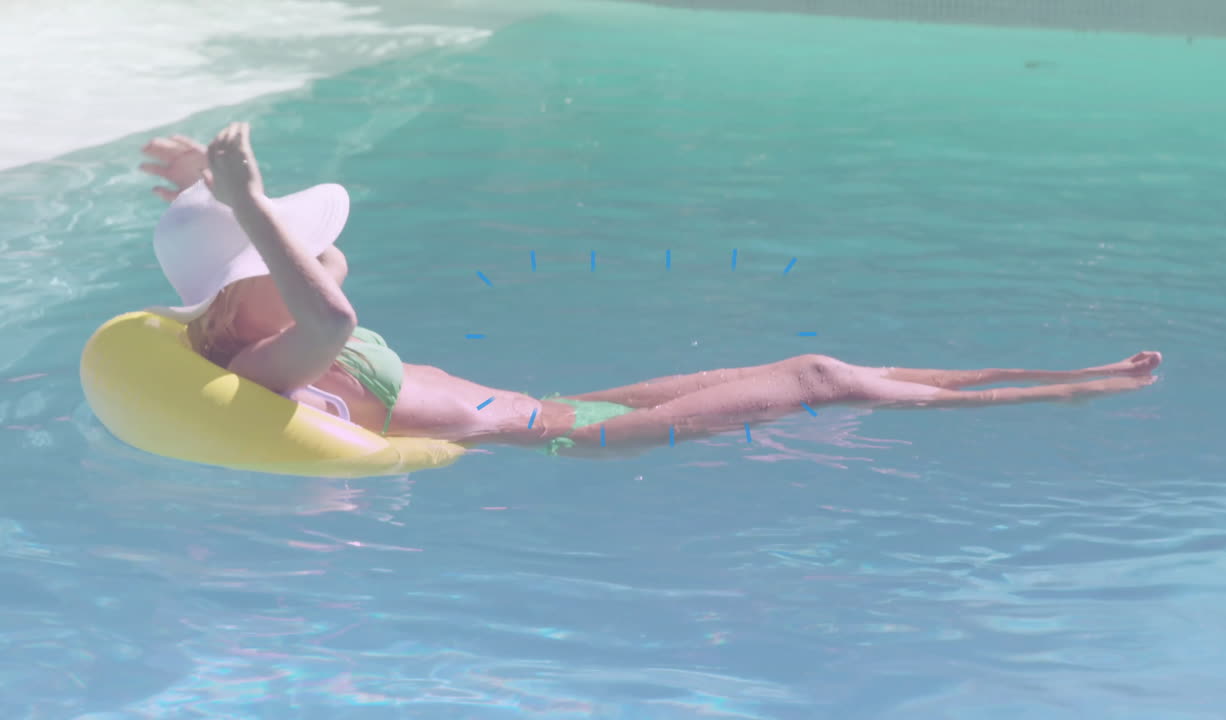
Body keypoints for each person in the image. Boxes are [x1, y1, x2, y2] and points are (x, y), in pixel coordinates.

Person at [140, 123, 1160, 458]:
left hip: (569, 399)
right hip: (569, 438)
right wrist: (243, 196)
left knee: (810, 365)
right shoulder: (277, 358)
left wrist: (206, 196)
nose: (313, 261)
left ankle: (1051, 371)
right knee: (815, 372)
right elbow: (333, 309)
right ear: (237, 306)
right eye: (277, 260)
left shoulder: (274, 311)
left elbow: (327, 271)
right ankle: (1075, 390)